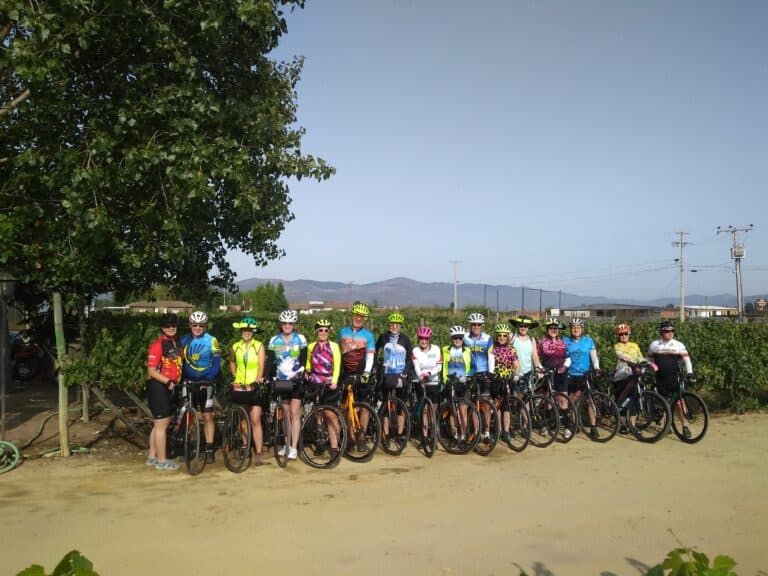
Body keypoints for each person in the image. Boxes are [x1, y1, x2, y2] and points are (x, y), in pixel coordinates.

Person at [180, 310, 221, 464]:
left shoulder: (211, 340)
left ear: (205, 326)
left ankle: (209, 449)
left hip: (206, 383)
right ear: (190, 325)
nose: (197, 328)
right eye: (194, 325)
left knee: (207, 416)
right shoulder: (184, 340)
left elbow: (216, 362)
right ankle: (190, 447)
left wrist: (209, 379)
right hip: (188, 382)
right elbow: (180, 362)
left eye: (201, 325)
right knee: (188, 417)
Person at [266, 310, 307, 461]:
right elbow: (270, 360)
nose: (287, 326)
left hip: (296, 380)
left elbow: (304, 357)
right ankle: (286, 444)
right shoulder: (274, 340)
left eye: (290, 323)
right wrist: (266, 377)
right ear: (281, 324)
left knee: (295, 413)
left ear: (294, 325)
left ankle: (294, 447)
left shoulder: (300, 338)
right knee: (285, 414)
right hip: (282, 380)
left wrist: (302, 370)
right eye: (285, 323)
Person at [145, 313, 183, 471]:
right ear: (162, 328)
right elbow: (151, 371)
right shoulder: (158, 345)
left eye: (173, 325)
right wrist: (167, 381)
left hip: (170, 386)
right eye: (168, 326)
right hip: (158, 386)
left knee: (158, 424)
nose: (171, 328)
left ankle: (152, 457)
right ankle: (162, 461)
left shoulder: (175, 343)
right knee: (162, 424)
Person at [647, 319, 696, 439]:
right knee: (664, 403)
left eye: (672, 330)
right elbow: (647, 359)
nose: (670, 333)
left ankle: (685, 427)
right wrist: (650, 367)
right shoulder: (654, 345)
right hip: (660, 379)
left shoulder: (678, 345)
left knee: (680, 404)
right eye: (667, 331)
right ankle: (666, 424)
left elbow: (687, 360)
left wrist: (690, 373)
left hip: (675, 378)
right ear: (661, 332)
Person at [338, 302, 376, 452]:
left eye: (361, 316)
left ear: (364, 319)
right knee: (347, 407)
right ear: (352, 316)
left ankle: (361, 438)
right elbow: (337, 352)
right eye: (356, 315)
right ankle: (350, 437)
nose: (358, 318)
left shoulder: (368, 335)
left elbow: (370, 356)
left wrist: (366, 373)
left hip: (361, 374)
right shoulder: (342, 332)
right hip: (345, 374)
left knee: (364, 407)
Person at [229, 317, 267, 465]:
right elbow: (232, 361)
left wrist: (258, 379)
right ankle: (245, 446)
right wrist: (235, 376)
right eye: (244, 330)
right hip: (240, 385)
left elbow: (261, 364)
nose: (247, 333)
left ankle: (258, 452)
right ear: (241, 331)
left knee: (255, 419)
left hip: (254, 385)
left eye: (249, 330)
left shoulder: (258, 346)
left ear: (253, 332)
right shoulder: (235, 346)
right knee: (243, 418)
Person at [304, 319, 343, 456]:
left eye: (326, 330)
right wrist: (307, 371)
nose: (323, 332)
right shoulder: (310, 346)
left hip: (329, 384)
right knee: (318, 414)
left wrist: (335, 381)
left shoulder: (334, 346)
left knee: (330, 415)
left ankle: (334, 445)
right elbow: (308, 363)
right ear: (316, 331)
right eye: (321, 329)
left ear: (329, 332)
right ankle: (320, 442)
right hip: (315, 383)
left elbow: (337, 364)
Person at [375, 312, 413, 445]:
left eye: (397, 324)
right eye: (392, 324)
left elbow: (409, 358)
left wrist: (406, 372)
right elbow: (374, 350)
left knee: (400, 406)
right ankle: (386, 434)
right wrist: (377, 366)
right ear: (389, 325)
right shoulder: (383, 337)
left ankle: (400, 434)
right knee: (386, 404)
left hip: (400, 374)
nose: (394, 326)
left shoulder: (405, 339)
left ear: (400, 326)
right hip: (387, 374)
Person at [564, 318, 601, 439]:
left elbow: (594, 357)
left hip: (585, 375)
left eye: (578, 328)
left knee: (590, 401)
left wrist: (596, 367)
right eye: (573, 327)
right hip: (571, 375)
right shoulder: (565, 341)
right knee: (572, 401)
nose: (576, 330)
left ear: (582, 329)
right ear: (571, 329)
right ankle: (574, 424)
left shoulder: (588, 341)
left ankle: (593, 427)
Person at [537, 318, 572, 436]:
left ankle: (567, 426)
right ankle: (545, 426)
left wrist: (565, 367)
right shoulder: (541, 342)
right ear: (547, 329)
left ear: (558, 330)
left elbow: (568, 357)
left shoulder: (562, 342)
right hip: (548, 373)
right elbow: (536, 357)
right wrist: (541, 369)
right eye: (551, 328)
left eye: (555, 328)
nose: (553, 330)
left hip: (561, 373)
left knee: (564, 400)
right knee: (549, 401)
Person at [464, 312, 495, 441]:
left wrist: (491, 372)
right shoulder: (465, 338)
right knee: (474, 404)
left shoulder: (487, 338)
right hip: (469, 374)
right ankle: (476, 431)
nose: (476, 326)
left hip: (484, 373)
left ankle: (487, 432)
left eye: (478, 325)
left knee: (486, 405)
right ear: (470, 325)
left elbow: (491, 356)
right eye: (474, 324)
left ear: (482, 325)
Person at [491, 323, 521, 443]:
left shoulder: (512, 349)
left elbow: (517, 366)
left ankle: (506, 431)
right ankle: (497, 430)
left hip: (508, 380)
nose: (502, 337)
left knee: (507, 407)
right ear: (497, 336)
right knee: (497, 406)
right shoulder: (492, 349)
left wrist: (516, 375)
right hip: (495, 380)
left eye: (504, 335)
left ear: (508, 336)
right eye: (500, 335)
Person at [442, 325, 472, 445]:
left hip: (463, 383)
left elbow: (471, 366)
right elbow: (443, 366)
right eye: (455, 337)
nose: (457, 340)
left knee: (463, 410)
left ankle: (463, 436)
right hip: (451, 383)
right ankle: (454, 435)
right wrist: (445, 379)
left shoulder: (468, 351)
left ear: (463, 338)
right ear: (452, 338)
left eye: (460, 338)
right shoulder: (445, 350)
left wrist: (468, 377)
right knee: (453, 411)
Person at [510, 315, 543, 382]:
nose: (523, 328)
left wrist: (537, 368)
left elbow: (535, 356)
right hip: (514, 373)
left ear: (529, 327)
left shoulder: (531, 340)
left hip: (528, 374)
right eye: (521, 326)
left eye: (526, 326)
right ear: (517, 326)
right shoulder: (512, 337)